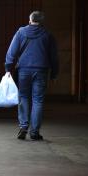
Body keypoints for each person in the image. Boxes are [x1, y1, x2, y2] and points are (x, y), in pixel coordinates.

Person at [5, 11, 59, 141]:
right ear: (42, 21)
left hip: (24, 69)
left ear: (30, 20)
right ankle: (34, 132)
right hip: (41, 71)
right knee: (38, 100)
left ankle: (23, 127)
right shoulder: (48, 35)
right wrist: (54, 73)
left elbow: (12, 51)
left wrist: (8, 68)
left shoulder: (21, 32)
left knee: (23, 97)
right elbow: (54, 56)